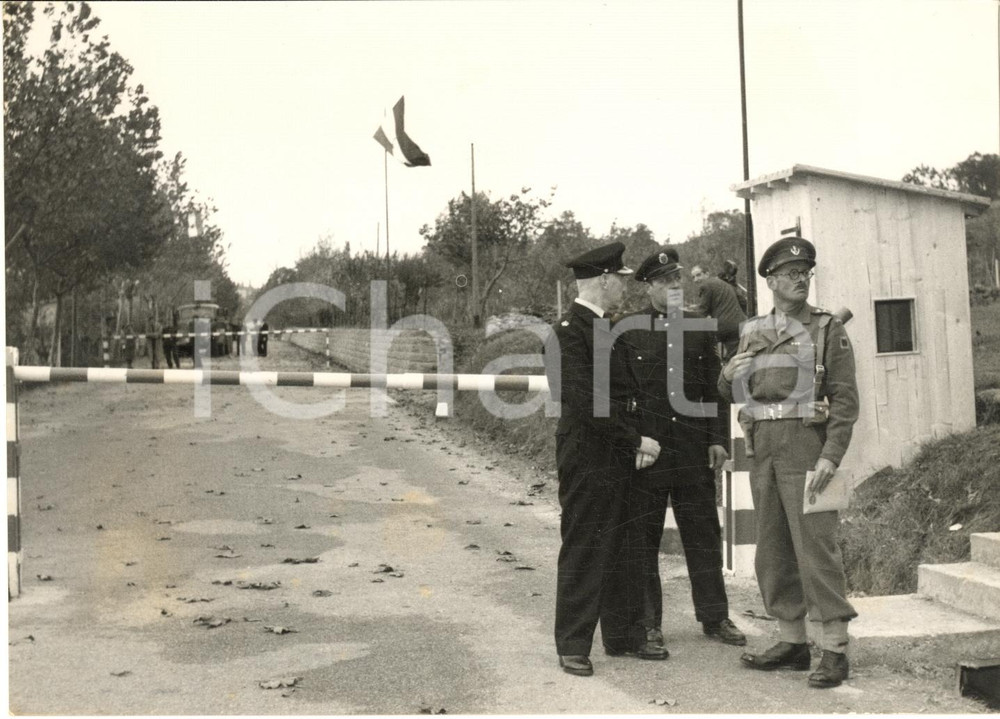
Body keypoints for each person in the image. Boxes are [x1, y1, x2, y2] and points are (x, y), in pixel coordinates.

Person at [718, 237, 859, 689]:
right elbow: (732, 392)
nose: (801, 280)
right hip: (763, 452)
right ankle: (793, 642)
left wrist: (831, 456)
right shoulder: (751, 329)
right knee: (773, 549)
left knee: (815, 549)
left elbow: (844, 400)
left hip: (806, 449)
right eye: (791, 273)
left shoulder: (826, 329)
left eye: (806, 272)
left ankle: (834, 649)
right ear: (771, 280)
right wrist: (727, 377)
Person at [544, 241, 661, 677]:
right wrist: (635, 440)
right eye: (621, 280)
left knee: (624, 544)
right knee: (587, 545)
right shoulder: (566, 332)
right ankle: (573, 644)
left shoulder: (608, 329)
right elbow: (583, 400)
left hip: (620, 451)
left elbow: (629, 393)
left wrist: (639, 437)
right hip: (590, 454)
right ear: (605, 280)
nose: (624, 288)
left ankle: (622, 635)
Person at [622, 247, 747, 656]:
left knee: (704, 535)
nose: (673, 288)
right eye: (664, 283)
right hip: (651, 453)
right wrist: (634, 441)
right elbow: (623, 396)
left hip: (693, 449)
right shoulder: (629, 330)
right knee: (644, 538)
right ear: (650, 287)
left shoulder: (700, 326)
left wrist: (717, 439)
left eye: (677, 281)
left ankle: (714, 616)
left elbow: (714, 386)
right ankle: (647, 624)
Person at [690, 263, 747, 359]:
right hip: (741, 324)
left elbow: (703, 311)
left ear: (707, 274)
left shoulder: (706, 286)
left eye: (698, 275)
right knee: (738, 357)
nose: (696, 279)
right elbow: (743, 302)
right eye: (693, 277)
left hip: (725, 328)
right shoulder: (725, 284)